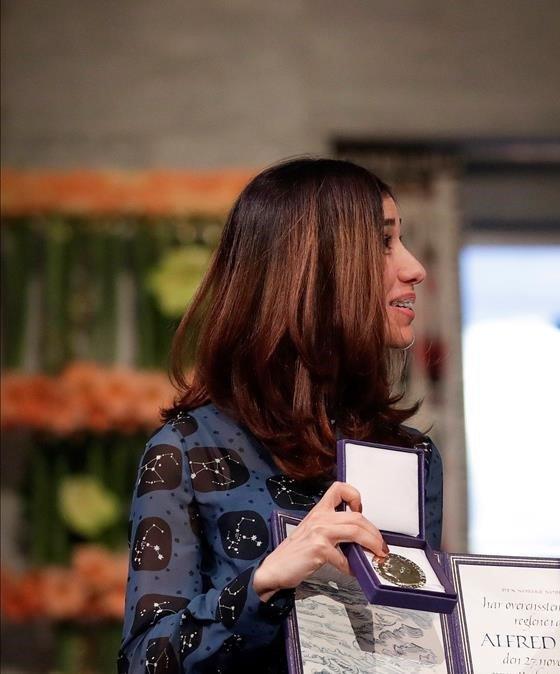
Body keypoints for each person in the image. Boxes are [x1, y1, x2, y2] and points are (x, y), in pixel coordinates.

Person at [118, 158, 438, 673]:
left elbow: (410, 650)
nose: (414, 267)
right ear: (314, 269)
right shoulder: (187, 450)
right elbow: (144, 661)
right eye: (384, 243)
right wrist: (267, 579)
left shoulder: (409, 454)